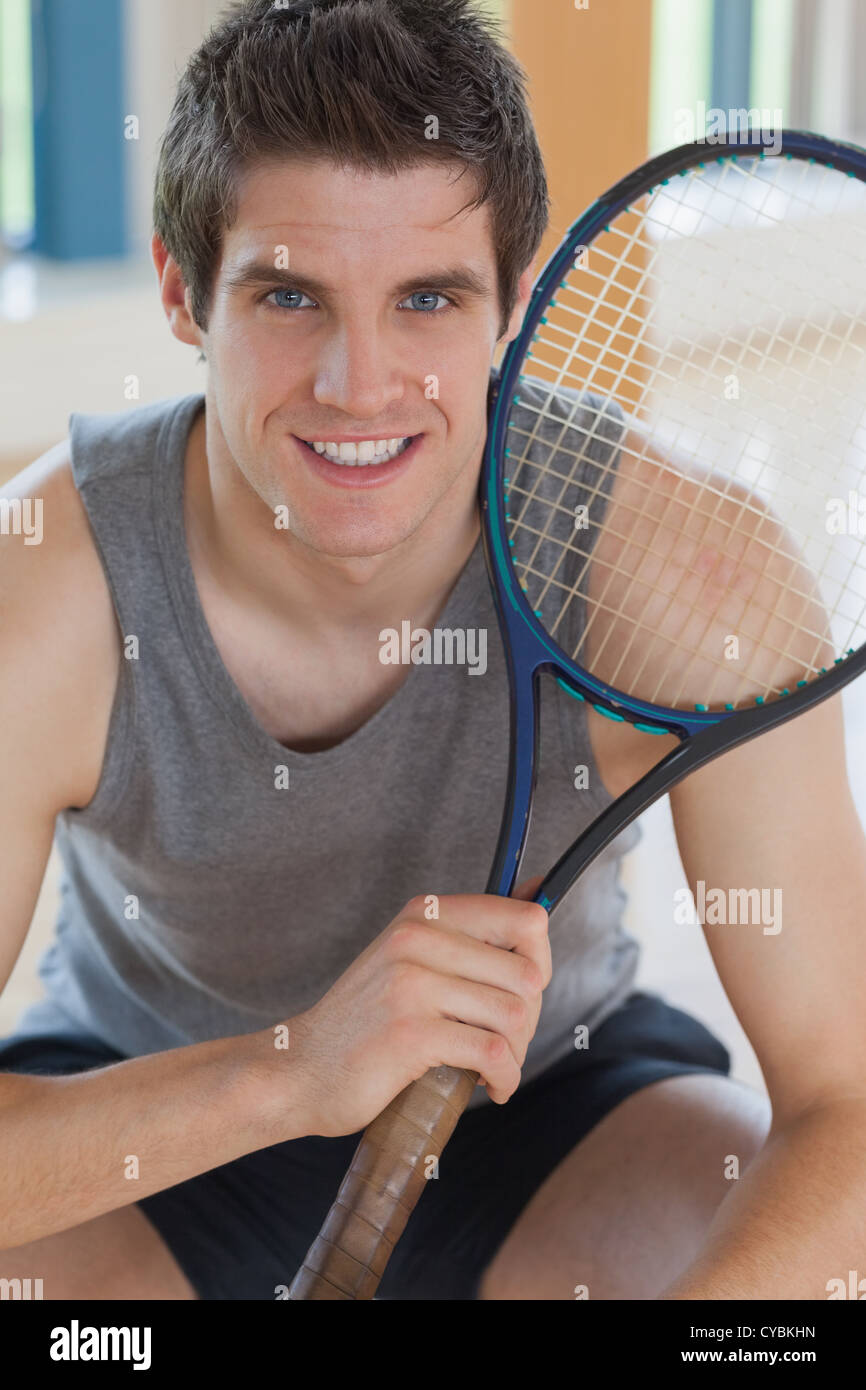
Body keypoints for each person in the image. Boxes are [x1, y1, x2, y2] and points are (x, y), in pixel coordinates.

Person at [1, 0, 863, 1302]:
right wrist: (292, 1071)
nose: (359, 380)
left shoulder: (682, 566)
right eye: (288, 294)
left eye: (427, 298)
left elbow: (847, 1101)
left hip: (552, 1113)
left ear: (513, 302)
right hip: (150, 1109)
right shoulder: (43, 581)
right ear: (183, 291)